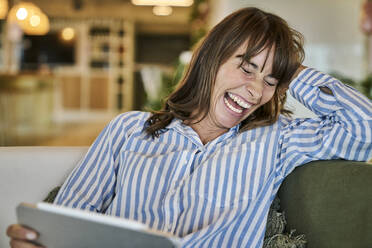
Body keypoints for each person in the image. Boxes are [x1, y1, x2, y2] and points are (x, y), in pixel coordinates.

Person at [7, 7, 372, 248]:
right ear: (211, 59)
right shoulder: (129, 131)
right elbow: (70, 217)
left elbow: (364, 130)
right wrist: (39, 241)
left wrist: (291, 70)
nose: (255, 90)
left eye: (271, 80)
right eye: (246, 68)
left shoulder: (279, 139)